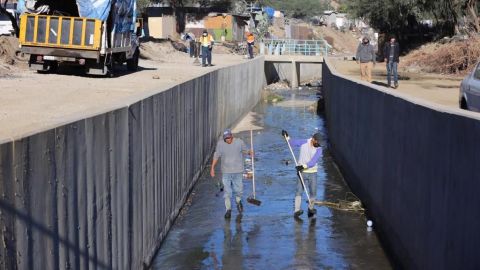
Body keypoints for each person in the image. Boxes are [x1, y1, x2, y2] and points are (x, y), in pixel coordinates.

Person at [210, 129, 252, 219]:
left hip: (238, 171)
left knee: (239, 190)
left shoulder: (239, 142)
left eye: (229, 138)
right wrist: (212, 168)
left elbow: (246, 151)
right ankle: (228, 210)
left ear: (231, 136)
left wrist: (250, 152)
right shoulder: (220, 144)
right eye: (226, 138)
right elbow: (216, 155)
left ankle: (238, 201)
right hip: (226, 172)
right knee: (227, 192)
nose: (227, 140)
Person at [282, 130, 322, 218]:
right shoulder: (304, 142)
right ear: (313, 139)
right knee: (299, 191)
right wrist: (287, 136)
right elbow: (292, 143)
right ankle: (297, 210)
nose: (319, 144)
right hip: (302, 172)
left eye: (320, 143)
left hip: (312, 172)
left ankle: (311, 208)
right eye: (317, 142)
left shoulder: (319, 149)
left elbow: (313, 162)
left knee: (313, 192)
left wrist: (302, 166)